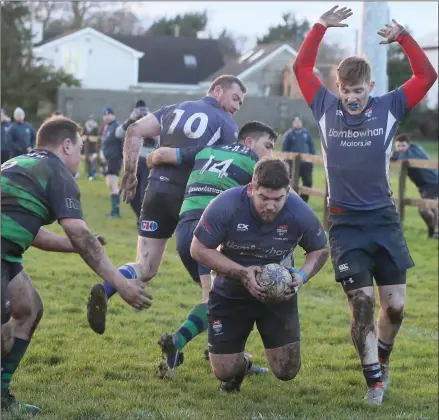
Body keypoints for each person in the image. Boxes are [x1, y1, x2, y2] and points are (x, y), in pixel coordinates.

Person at [293, 5, 437, 405]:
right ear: (338, 87)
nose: (352, 98)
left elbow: (427, 76)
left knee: (395, 307)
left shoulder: (390, 107)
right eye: (346, 90)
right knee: (361, 303)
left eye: (359, 91)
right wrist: (320, 27)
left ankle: (383, 360)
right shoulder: (324, 109)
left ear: (370, 87)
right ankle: (373, 380)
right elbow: (301, 69)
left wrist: (404, 38)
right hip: (344, 223)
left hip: (383, 220)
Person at [1, 117, 151, 414]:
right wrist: (121, 284)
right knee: (5, 331)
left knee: (28, 308)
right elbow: (81, 235)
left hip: (6, 253)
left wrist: (74, 244)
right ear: (66, 145)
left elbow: (33, 231)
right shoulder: (57, 172)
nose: (80, 157)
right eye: (80, 149)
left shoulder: (19, 164)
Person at [86, 75, 246, 335]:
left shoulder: (173, 110)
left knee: (146, 267)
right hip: (192, 199)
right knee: (215, 284)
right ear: (217, 91)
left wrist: (130, 173)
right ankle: (219, 349)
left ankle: (106, 289)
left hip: (155, 191)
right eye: (235, 98)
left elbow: (134, 130)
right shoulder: (226, 123)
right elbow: (221, 163)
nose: (237, 107)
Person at [147, 121, 277, 379]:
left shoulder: (207, 150)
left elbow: (161, 155)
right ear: (249, 143)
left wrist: (144, 159)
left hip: (185, 229)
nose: (270, 155)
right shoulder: (255, 163)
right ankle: (178, 342)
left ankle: (225, 353)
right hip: (211, 230)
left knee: (220, 298)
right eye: (268, 146)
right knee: (217, 301)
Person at [190, 158, 329, 393]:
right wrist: (243, 273)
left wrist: (301, 277)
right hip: (230, 291)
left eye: (278, 199)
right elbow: (198, 249)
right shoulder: (227, 205)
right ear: (251, 188)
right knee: (224, 371)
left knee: (287, 370)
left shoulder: (298, 211)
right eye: (264, 198)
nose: (271, 206)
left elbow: (320, 250)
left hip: (278, 295)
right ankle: (240, 366)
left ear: (287, 191)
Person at [115, 100, 158, 225]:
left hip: (147, 160)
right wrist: (131, 119)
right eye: (139, 111)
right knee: (131, 193)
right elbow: (118, 134)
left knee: (144, 192)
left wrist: (148, 124)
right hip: (133, 161)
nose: (141, 114)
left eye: (144, 111)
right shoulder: (131, 122)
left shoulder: (152, 120)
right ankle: (140, 216)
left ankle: (144, 219)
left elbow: (159, 137)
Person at [390, 133, 438, 239]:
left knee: (425, 208)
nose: (400, 148)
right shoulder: (406, 151)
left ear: (408, 145)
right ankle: (433, 231)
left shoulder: (416, 150)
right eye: (398, 146)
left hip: (433, 182)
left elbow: (405, 159)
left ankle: (435, 231)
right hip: (423, 185)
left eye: (403, 146)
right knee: (432, 207)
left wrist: (394, 155)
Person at [281, 116, 316, 202]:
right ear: (293, 123)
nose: (297, 123)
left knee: (308, 183)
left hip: (306, 164)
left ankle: (303, 201)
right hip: (292, 164)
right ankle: (291, 200)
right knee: (291, 183)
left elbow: (312, 146)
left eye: (299, 121)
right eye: (295, 122)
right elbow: (284, 149)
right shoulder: (289, 134)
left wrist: (311, 157)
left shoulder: (306, 133)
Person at [101, 107, 122, 218]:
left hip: (115, 158)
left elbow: (123, 142)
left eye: (109, 114)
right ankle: (114, 210)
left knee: (113, 184)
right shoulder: (107, 127)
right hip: (108, 159)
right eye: (105, 114)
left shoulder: (116, 127)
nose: (107, 116)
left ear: (113, 115)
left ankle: (116, 212)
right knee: (109, 184)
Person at [83, 114, 99, 180]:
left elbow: (97, 135)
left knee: (94, 160)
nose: (91, 120)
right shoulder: (86, 125)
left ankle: (93, 173)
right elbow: (83, 135)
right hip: (87, 146)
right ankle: (89, 174)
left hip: (94, 146)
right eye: (90, 119)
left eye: (92, 119)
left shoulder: (96, 126)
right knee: (88, 160)